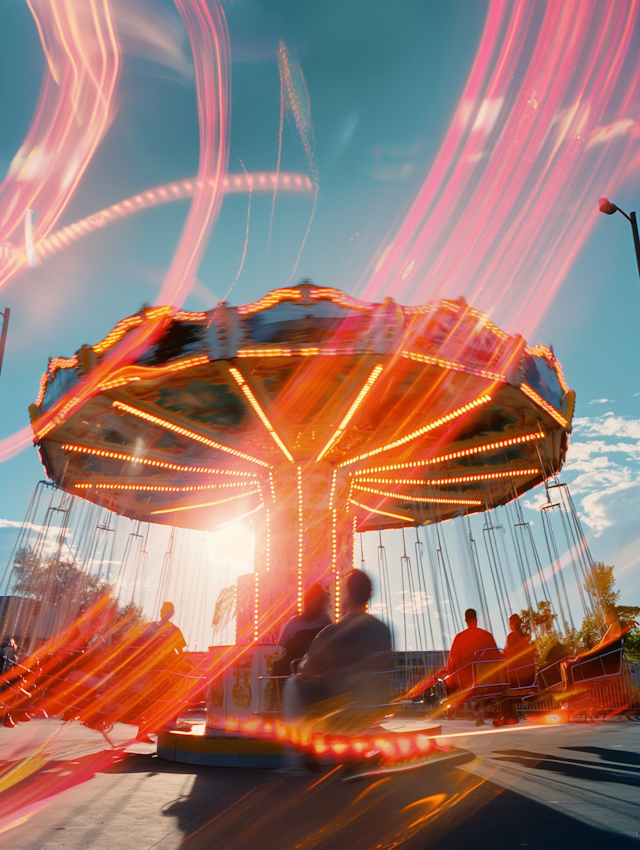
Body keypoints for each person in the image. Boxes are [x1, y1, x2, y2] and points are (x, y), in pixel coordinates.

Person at [283, 570, 393, 733]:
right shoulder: (383, 630)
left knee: (291, 684)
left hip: (342, 706)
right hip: (375, 704)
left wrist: (303, 669)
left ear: (347, 593)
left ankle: (297, 749)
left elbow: (308, 671)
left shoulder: (332, 632)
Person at [268, 583, 332, 711]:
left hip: (296, 675)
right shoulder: (327, 623)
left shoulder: (294, 624)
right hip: (321, 679)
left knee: (277, 669)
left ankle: (273, 706)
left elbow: (281, 649)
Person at [445, 608, 498, 693]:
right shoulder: (488, 636)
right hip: (489, 680)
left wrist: (449, 671)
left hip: (468, 682)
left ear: (465, 620)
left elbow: (453, 661)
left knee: (448, 684)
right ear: (476, 619)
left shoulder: (460, 638)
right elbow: (497, 657)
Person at [497, 614, 536, 725]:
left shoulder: (512, 636)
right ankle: (508, 715)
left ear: (512, 624)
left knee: (499, 686)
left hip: (519, 677)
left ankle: (508, 716)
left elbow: (507, 656)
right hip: (530, 676)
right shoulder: (523, 637)